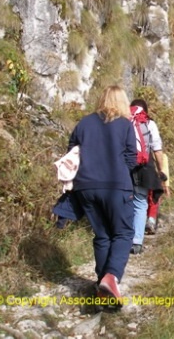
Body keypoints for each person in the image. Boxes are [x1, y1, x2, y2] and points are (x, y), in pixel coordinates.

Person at [67, 85, 137, 304]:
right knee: (123, 233)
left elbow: (72, 152)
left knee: (102, 235)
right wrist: (119, 170)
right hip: (116, 185)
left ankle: (102, 287)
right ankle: (111, 277)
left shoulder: (84, 123)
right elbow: (132, 158)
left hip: (85, 187)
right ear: (122, 102)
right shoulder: (125, 124)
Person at [129, 99, 164, 254]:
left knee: (124, 201)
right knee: (140, 203)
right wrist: (161, 170)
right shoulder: (149, 123)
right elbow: (157, 149)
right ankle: (137, 242)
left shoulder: (123, 120)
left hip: (124, 167)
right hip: (144, 168)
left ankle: (121, 237)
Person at [145, 153, 170, 234]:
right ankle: (151, 222)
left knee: (146, 201)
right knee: (154, 202)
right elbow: (165, 171)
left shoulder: (145, 152)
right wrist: (166, 186)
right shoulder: (162, 155)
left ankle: (146, 222)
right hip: (156, 182)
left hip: (145, 181)